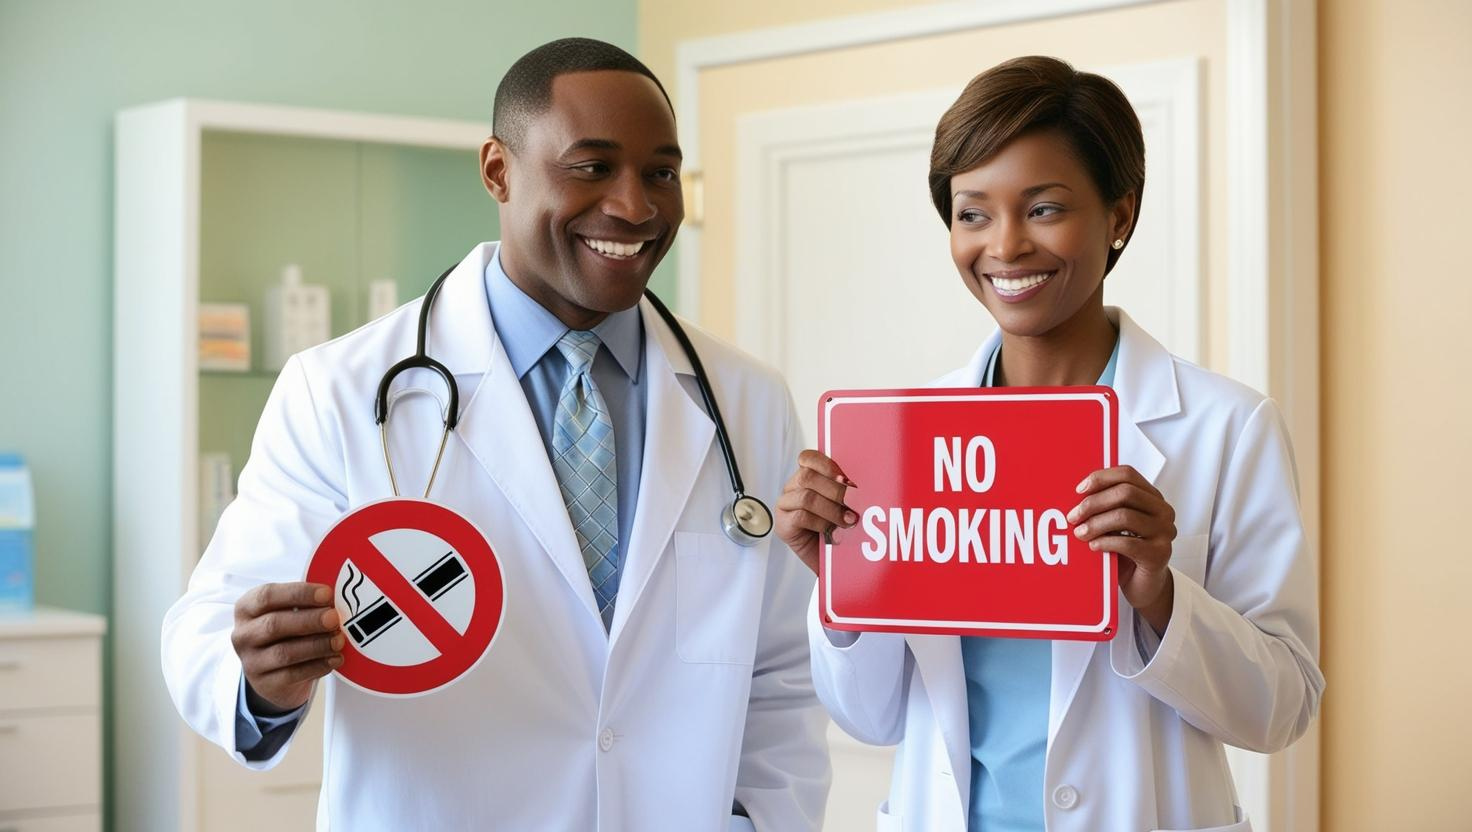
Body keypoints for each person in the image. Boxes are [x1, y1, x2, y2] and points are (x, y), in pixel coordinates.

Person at [162, 38, 829, 830]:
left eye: (660, 171)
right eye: (591, 166)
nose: (636, 206)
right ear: (497, 171)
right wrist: (263, 677)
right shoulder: (340, 391)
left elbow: (783, 671)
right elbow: (210, 627)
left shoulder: (743, 399)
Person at [775, 56, 1322, 832]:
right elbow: (872, 718)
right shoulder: (905, 437)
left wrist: (1160, 597)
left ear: (1120, 215)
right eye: (972, 213)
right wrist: (840, 592)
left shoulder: (1225, 428)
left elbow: (1283, 708)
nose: (1005, 246)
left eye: (1043, 208)